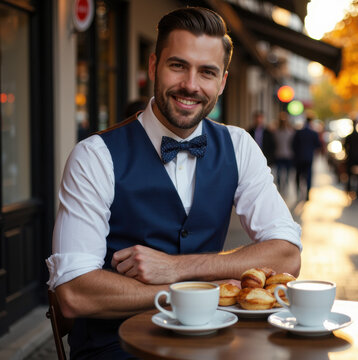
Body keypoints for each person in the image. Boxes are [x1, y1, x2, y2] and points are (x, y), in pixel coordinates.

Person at [46, 7, 301, 359]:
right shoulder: (94, 156)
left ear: (222, 82)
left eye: (207, 72)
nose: (191, 85)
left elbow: (287, 255)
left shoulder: (240, 146)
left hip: (211, 343)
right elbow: (74, 293)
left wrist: (176, 268)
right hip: (115, 349)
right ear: (154, 67)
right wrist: (197, 289)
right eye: (178, 65)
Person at [292, 113, 321, 201]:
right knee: (308, 176)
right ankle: (307, 193)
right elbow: (318, 145)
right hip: (308, 158)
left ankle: (299, 192)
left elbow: (293, 145)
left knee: (298, 176)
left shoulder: (299, 132)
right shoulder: (313, 133)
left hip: (299, 158)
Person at [273, 111, 295, 193]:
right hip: (279, 155)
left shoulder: (290, 132)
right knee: (279, 174)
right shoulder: (276, 132)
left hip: (288, 155)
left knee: (286, 174)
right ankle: (281, 187)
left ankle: (284, 187)